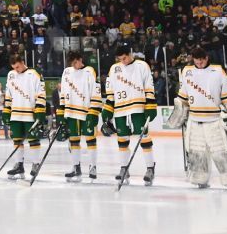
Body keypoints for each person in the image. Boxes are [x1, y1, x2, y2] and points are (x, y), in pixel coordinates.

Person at [174, 46, 227, 189]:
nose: (199, 65)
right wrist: (179, 111)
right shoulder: (187, 71)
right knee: (196, 151)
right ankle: (200, 178)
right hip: (194, 118)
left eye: (201, 62)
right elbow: (183, 96)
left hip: (214, 119)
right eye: (196, 62)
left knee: (221, 150)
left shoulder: (218, 71)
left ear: (206, 58)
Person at [104, 45, 158, 186]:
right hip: (120, 109)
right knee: (122, 139)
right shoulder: (114, 69)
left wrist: (150, 106)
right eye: (120, 59)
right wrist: (108, 108)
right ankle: (124, 168)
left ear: (130, 53)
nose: (123, 61)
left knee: (144, 138)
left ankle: (150, 168)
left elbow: (149, 87)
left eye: (125, 57)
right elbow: (110, 90)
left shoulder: (142, 66)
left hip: (138, 108)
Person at [58, 50, 101, 182]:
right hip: (71, 112)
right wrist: (61, 112)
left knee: (90, 139)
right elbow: (63, 93)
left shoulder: (89, 71)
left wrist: (93, 112)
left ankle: (93, 167)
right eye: (73, 63)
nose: (75, 65)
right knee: (74, 140)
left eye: (76, 62)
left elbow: (96, 92)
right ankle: (76, 167)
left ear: (80, 59)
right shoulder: (66, 72)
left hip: (86, 111)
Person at [3, 54, 46, 180]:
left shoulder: (34, 74)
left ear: (22, 62)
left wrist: (40, 112)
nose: (16, 70)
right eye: (14, 68)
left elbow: (41, 93)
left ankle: (35, 163)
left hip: (29, 113)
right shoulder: (11, 75)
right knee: (17, 140)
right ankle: (19, 165)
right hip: (15, 113)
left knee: (33, 140)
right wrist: (6, 111)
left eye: (17, 67)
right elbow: (8, 94)